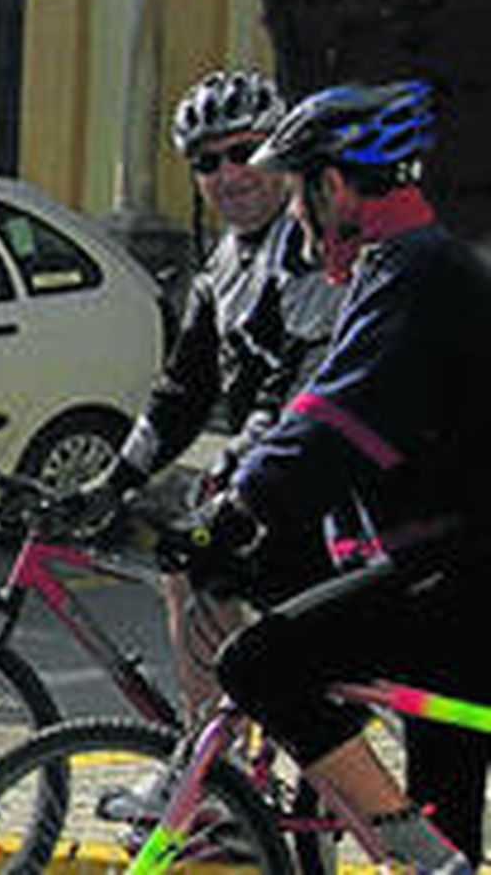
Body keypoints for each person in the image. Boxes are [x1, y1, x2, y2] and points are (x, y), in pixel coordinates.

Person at [189, 80, 491, 871]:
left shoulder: (412, 274)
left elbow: (336, 421)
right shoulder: (421, 263)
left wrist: (237, 508)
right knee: (447, 798)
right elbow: (325, 419)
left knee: (259, 663)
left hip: (453, 575)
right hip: (450, 567)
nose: (294, 214)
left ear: (331, 186)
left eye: (297, 191)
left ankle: (423, 855)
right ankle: (435, 852)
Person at [78, 69, 344, 718]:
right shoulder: (226, 261)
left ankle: (232, 778)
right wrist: (114, 480)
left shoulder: (308, 244)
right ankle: (217, 773)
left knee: (244, 615)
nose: (230, 174)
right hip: (277, 479)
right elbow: (183, 391)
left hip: (332, 487)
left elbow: (296, 385)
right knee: (194, 582)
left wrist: (227, 475)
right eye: (207, 162)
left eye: (245, 151)